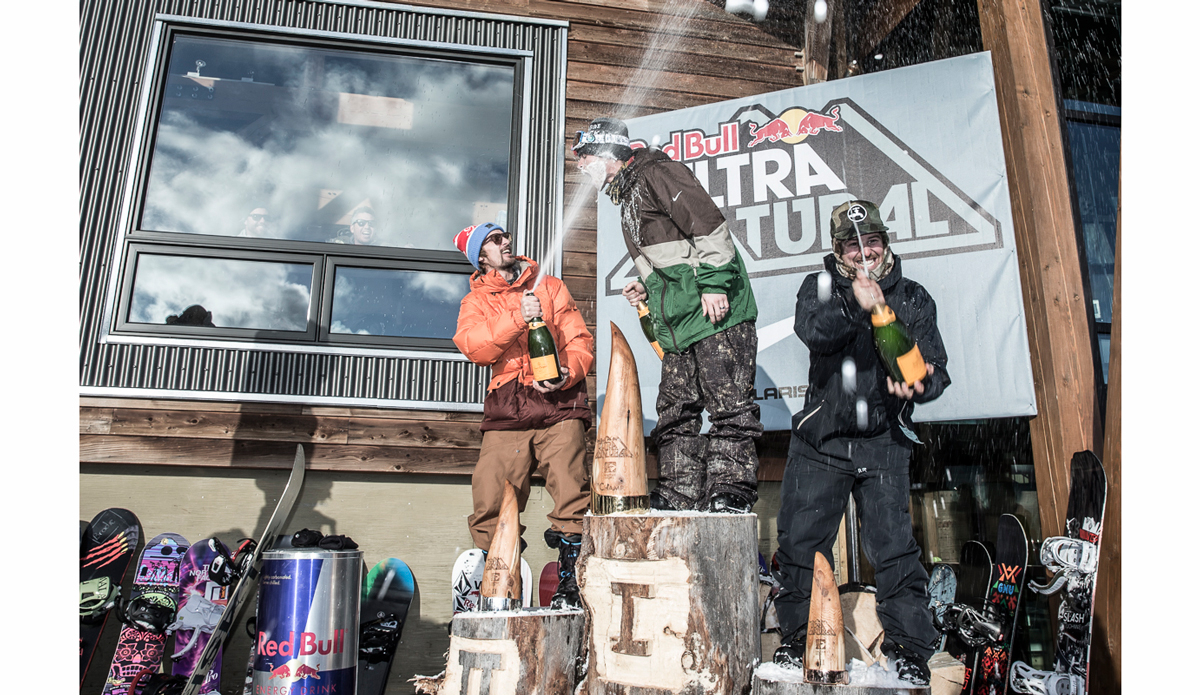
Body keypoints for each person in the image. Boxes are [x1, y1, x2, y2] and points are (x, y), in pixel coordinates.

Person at [771, 200, 951, 685]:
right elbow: (816, 331)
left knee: (894, 549)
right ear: (839, 250)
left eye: (873, 241)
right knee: (802, 546)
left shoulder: (912, 297)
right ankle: (795, 640)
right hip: (821, 440)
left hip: (884, 442)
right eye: (854, 244)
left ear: (885, 243)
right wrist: (859, 300)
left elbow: (935, 369)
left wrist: (921, 382)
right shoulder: (820, 286)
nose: (865, 252)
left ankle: (911, 650)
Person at [571, 116, 761, 514]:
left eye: (584, 156)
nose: (579, 166)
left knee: (729, 407)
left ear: (607, 153)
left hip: (716, 314)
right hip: (681, 322)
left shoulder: (657, 172)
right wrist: (649, 288)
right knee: (676, 412)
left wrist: (714, 284)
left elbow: (709, 228)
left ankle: (730, 492)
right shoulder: (626, 195)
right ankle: (680, 494)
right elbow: (671, 260)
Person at [451, 221, 595, 609]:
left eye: (505, 235)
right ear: (481, 256)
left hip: (558, 403)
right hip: (508, 408)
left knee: (571, 488)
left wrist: (569, 372)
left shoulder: (548, 286)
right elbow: (475, 347)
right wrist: (517, 314)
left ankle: (572, 579)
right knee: (491, 495)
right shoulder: (475, 302)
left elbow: (579, 339)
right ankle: (495, 576)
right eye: (495, 240)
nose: (506, 241)